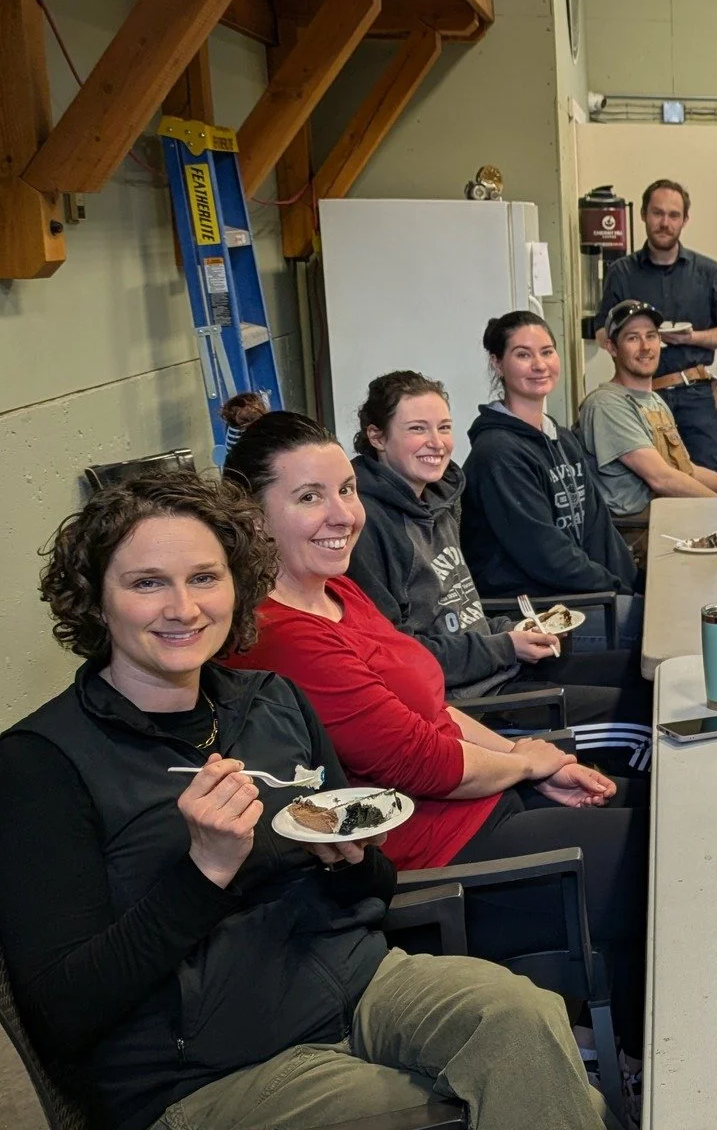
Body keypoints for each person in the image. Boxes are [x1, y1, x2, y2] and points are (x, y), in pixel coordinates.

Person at [0, 469, 611, 1130]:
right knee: (493, 1104)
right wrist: (204, 873)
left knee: (521, 1018)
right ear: (94, 599)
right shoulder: (43, 762)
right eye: (147, 583)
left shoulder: (271, 702)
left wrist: (354, 859)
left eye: (205, 577)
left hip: (356, 985)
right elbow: (63, 1011)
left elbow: (372, 887)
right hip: (209, 1072)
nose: (184, 608)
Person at [220, 410, 652, 1078]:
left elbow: (433, 708)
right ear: (253, 518)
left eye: (346, 490)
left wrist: (530, 764)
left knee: (658, 809)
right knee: (662, 855)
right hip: (444, 866)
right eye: (309, 497)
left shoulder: (337, 591)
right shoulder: (283, 634)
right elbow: (421, 761)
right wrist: (524, 763)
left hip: (488, 807)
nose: (343, 515)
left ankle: (620, 1047)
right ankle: (641, 1063)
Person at [345, 370, 652, 766]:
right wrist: (504, 646)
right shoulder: (368, 526)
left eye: (443, 427)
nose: (436, 442)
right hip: (477, 706)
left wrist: (510, 629)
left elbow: (458, 610)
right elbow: (402, 658)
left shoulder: (437, 499)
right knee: (643, 718)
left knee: (648, 679)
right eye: (417, 429)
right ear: (377, 437)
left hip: (500, 666)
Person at [463, 310, 642, 652]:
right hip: (532, 612)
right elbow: (547, 555)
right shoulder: (497, 453)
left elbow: (597, 528)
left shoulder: (560, 438)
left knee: (659, 613)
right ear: (497, 363)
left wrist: (633, 586)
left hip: (575, 595)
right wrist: (615, 591)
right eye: (523, 355)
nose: (539, 365)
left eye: (546, 352)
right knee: (651, 629)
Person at [578, 298, 717, 528]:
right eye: (633, 338)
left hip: (664, 516)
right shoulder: (607, 404)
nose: (645, 347)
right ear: (612, 347)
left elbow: (685, 469)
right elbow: (662, 478)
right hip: (635, 531)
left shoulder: (655, 401)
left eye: (651, 336)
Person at [595, 179, 717, 473]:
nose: (665, 223)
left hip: (695, 392)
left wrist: (692, 338)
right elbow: (603, 331)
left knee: (709, 474)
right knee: (647, 479)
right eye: (657, 213)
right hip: (637, 396)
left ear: (684, 220)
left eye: (673, 215)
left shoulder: (708, 272)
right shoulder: (621, 272)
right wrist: (634, 346)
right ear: (643, 214)